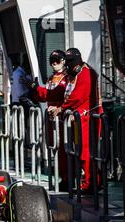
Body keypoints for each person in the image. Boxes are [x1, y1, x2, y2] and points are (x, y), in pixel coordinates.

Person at [56, 48, 103, 192]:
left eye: (70, 61)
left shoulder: (86, 73)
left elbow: (78, 95)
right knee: (79, 151)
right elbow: (64, 93)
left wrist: (62, 108)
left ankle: (91, 184)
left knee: (86, 152)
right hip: (80, 118)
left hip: (88, 117)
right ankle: (88, 182)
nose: (68, 65)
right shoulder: (75, 73)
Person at [32, 50, 69, 189]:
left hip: (63, 119)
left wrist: (39, 89)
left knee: (65, 149)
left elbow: (57, 94)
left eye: (57, 60)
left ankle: (67, 179)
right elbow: (44, 96)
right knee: (55, 148)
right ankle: (62, 178)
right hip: (51, 119)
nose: (54, 63)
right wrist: (34, 91)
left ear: (64, 61)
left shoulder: (66, 78)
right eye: (51, 60)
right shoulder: (51, 78)